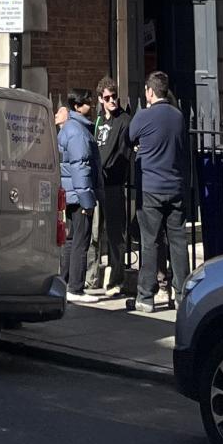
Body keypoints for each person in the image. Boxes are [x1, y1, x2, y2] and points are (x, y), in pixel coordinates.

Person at [128, 69, 190, 312]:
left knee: (150, 242)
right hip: (175, 186)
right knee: (178, 242)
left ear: (149, 92)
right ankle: (182, 294)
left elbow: (129, 137)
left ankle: (146, 296)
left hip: (151, 188)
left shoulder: (144, 116)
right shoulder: (178, 116)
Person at [55, 89, 100, 298]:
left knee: (72, 239)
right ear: (77, 106)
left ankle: (64, 281)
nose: (92, 105)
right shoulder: (78, 132)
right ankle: (75, 286)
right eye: (87, 102)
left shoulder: (70, 129)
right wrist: (87, 201)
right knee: (81, 240)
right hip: (79, 193)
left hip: (71, 191)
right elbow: (80, 166)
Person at [93, 77, 132, 295]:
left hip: (114, 183)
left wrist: (108, 167)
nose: (112, 101)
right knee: (95, 232)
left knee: (116, 233)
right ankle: (92, 276)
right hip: (97, 183)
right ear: (100, 99)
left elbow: (122, 152)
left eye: (114, 96)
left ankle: (117, 279)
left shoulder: (124, 120)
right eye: (107, 98)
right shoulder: (99, 120)